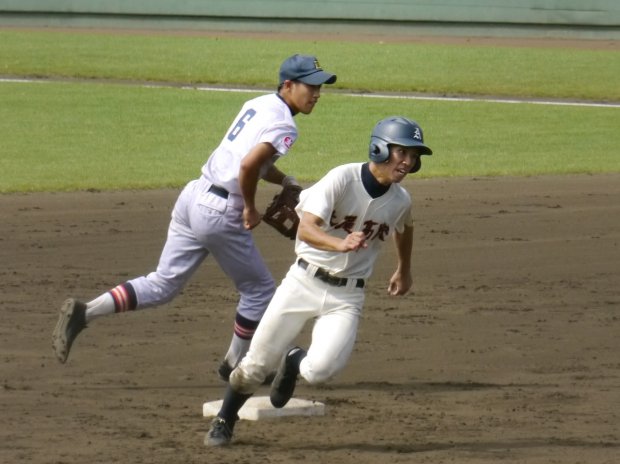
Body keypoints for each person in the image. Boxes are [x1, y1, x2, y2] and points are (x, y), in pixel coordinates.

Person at [51, 54, 337, 382]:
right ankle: (235, 362)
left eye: (320, 88)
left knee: (164, 282)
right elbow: (246, 167)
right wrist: (249, 207)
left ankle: (85, 312)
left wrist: (284, 180)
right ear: (288, 85)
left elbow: (251, 162)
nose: (316, 94)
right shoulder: (286, 124)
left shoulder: (258, 103)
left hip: (194, 196)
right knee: (258, 290)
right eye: (311, 86)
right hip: (220, 211)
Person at [204, 115, 433, 446]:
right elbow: (306, 226)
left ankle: (294, 361)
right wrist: (339, 243)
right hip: (303, 282)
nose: (408, 162)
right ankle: (225, 419)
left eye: (413, 157)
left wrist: (404, 267)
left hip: (347, 298)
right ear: (379, 149)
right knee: (254, 365)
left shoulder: (401, 200)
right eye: (402, 152)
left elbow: (405, 226)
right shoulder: (342, 179)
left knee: (320, 370)